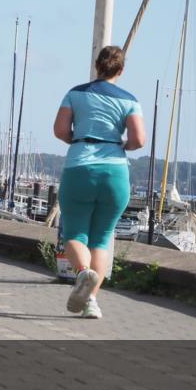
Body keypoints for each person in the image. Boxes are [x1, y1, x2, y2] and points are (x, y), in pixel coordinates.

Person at [53, 46, 145, 320]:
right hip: (115, 172)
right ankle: (91, 302)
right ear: (121, 70)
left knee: (74, 234)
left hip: (80, 167)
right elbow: (139, 140)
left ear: (97, 65)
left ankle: (83, 274)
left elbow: (59, 130)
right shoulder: (130, 100)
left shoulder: (75, 93)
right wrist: (121, 145)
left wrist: (78, 140)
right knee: (102, 239)